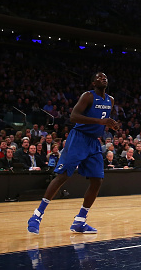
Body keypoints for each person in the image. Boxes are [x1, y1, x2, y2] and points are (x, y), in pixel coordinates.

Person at [27, 72, 118, 234]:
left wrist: (109, 125)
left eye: (105, 77)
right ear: (93, 83)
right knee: (63, 175)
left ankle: (80, 221)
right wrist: (100, 122)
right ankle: (37, 215)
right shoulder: (88, 96)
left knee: (97, 180)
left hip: (94, 142)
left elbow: (103, 119)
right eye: (98, 77)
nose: (103, 78)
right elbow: (74, 116)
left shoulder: (110, 100)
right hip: (79, 139)